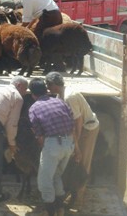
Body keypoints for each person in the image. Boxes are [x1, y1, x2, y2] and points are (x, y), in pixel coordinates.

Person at [45, 72, 99, 212]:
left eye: (48, 85)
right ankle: (71, 191)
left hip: (87, 128)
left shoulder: (69, 97)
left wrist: (76, 143)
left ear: (54, 85)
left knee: (83, 161)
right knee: (74, 160)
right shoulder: (60, 95)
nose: (48, 89)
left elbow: (77, 122)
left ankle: (79, 199)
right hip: (76, 129)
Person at [28, 78, 75, 216]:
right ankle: (60, 209)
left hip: (53, 145)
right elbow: (72, 121)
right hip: (69, 143)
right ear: (46, 90)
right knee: (56, 176)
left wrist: (47, 148)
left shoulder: (34, 108)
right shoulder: (60, 101)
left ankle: (50, 211)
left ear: (32, 95)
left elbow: (39, 135)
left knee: (44, 181)